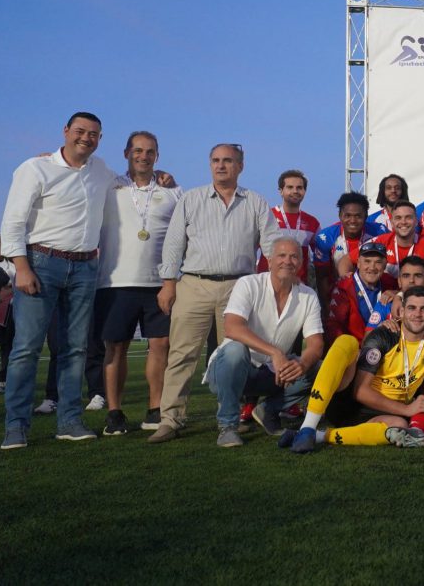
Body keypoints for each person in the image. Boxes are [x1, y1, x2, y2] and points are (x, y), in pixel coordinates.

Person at [149, 143, 279, 444]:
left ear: (240, 166)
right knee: (182, 354)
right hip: (194, 284)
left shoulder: (256, 202)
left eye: (228, 161)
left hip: (238, 287)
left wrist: (274, 284)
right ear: (209, 164)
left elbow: (271, 246)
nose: (221, 166)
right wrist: (168, 283)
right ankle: (170, 419)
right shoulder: (191, 199)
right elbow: (173, 244)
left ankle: (229, 421)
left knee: (233, 358)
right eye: (216, 160)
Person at [0, 112, 116, 448]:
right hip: (41, 262)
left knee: (75, 350)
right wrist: (21, 267)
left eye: (94, 133)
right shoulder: (35, 169)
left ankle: (69, 420)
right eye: (80, 131)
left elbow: (126, 183)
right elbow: (13, 222)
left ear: (99, 138)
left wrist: (161, 178)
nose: (86, 138)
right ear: (65, 131)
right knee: (27, 348)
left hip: (84, 267)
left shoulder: (101, 171)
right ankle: (17, 426)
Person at [279, 285, 424, 452]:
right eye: (412, 308)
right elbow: (360, 392)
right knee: (347, 342)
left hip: (386, 412)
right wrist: (407, 409)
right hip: (350, 403)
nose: (417, 314)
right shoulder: (383, 335)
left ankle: (315, 436)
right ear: (401, 311)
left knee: (400, 425)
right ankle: (308, 425)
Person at [96, 131, 183, 436]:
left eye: (150, 152)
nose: (143, 156)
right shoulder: (110, 185)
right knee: (115, 347)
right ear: (126, 153)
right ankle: (115, 412)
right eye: (137, 151)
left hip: (159, 283)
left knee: (160, 345)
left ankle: (155, 408)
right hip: (115, 281)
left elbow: (183, 234)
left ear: (157, 156)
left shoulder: (172, 191)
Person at [205, 238, 324, 447]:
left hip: (271, 373)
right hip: (232, 369)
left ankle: (269, 409)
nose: (288, 261)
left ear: (301, 263)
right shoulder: (248, 283)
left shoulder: (308, 295)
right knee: (235, 350)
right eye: (282, 255)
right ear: (268, 261)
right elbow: (232, 327)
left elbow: (316, 344)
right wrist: (276, 353)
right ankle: (228, 426)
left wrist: (302, 364)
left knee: (317, 367)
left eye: (294, 256)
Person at [314, 192, 379, 306]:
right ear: (340, 216)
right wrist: (325, 307)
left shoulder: (379, 233)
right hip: (339, 296)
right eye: (347, 215)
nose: (352, 220)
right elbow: (322, 277)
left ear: (366, 216)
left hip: (373, 296)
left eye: (358, 216)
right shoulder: (325, 237)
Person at [256, 169, 320, 285]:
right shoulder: (266, 217)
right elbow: (251, 250)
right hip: (266, 285)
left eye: (299, 188)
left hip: (299, 285)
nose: (295, 191)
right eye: (290, 187)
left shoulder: (312, 222)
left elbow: (321, 257)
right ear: (281, 191)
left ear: (305, 191)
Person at [323, 241, 387, 345]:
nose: (372, 267)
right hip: (352, 350)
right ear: (358, 263)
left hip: (381, 348)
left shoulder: (389, 283)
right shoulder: (344, 287)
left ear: (385, 265)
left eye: (378, 262)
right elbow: (334, 327)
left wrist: (397, 294)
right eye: (367, 261)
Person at [373, 200, 424, 282]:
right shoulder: (381, 241)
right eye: (398, 218)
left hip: (416, 293)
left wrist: (400, 294)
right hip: (385, 294)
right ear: (392, 223)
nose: (403, 222)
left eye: (408, 217)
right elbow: (351, 259)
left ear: (416, 221)